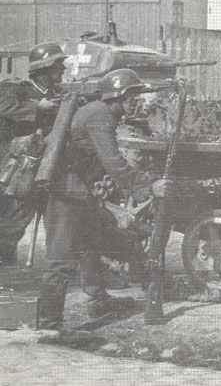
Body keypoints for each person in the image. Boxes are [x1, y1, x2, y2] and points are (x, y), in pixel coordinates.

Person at [38, 68, 171, 329]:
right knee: (60, 259)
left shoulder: (100, 112)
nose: (138, 101)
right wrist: (148, 185)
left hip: (79, 193)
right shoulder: (99, 115)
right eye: (133, 95)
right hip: (66, 194)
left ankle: (98, 297)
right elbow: (114, 163)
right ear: (117, 95)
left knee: (99, 242)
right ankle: (48, 326)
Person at [0, 42, 62, 265]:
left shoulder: (59, 93)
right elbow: (4, 107)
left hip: (50, 165)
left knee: (59, 215)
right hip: (18, 167)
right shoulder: (17, 89)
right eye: (58, 66)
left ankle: (62, 260)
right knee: (14, 217)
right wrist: (38, 107)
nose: (62, 70)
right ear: (44, 69)